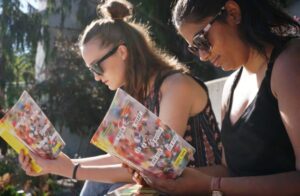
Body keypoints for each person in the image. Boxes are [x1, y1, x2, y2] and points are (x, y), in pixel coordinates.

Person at [18, 0, 221, 195]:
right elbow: (124, 160)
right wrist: (57, 164)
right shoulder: (137, 94)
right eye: (91, 70)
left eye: (96, 67)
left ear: (122, 51)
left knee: (112, 188)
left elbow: (156, 168)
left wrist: (70, 170)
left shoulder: (175, 86)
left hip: (199, 186)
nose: (96, 77)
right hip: (166, 186)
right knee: (97, 182)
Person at [138, 0, 300, 195]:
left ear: (232, 13)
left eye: (201, 41)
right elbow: (229, 171)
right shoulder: (231, 87)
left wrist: (212, 185)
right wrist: (170, 179)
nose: (203, 56)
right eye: (195, 48)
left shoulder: (288, 65)